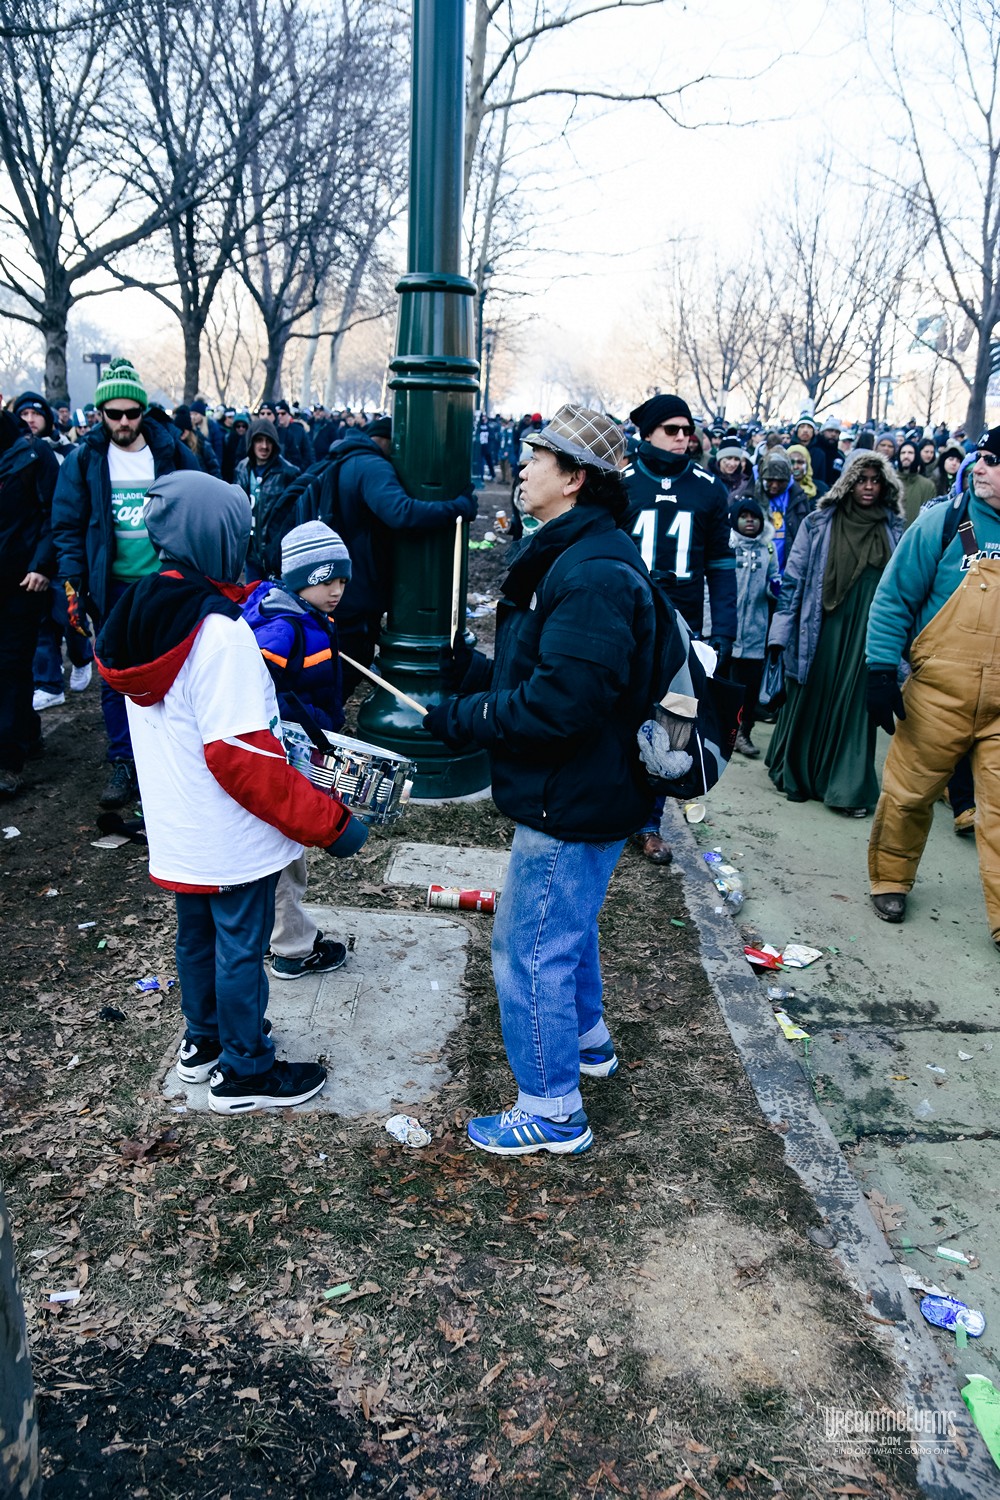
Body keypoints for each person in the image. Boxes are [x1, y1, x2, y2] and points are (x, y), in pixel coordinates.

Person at [423, 407, 659, 1156]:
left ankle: (553, 1110)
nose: (521, 469)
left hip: (574, 792)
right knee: (567, 925)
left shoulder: (590, 572)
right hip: (582, 783)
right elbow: (555, 672)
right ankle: (587, 1044)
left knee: (529, 948)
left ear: (575, 478)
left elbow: (565, 705)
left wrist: (469, 717)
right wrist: (478, 675)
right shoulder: (577, 553)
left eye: (537, 458)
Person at [94, 471, 367, 1113]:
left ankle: (204, 1041)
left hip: (178, 821)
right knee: (240, 949)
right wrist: (331, 823)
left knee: (196, 939)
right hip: (229, 828)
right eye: (238, 531)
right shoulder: (219, 634)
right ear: (215, 536)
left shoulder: (138, 613)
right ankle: (246, 1070)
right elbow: (244, 762)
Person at [865, 425, 1000, 938]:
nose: (979, 467)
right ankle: (890, 880)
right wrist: (880, 669)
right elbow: (894, 596)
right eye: (979, 457)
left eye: (992, 461)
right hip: (937, 694)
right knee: (907, 796)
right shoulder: (945, 521)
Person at [51, 357, 200, 808]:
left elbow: (200, 504)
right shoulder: (85, 459)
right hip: (112, 587)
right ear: (100, 413)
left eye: (131, 413)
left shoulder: (171, 452)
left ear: (142, 411)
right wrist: (73, 583)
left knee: (172, 670)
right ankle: (124, 759)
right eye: (113, 414)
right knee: (116, 674)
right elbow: (68, 525)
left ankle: (172, 754)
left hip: (164, 584)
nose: (123, 422)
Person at [622, 392, 736, 863]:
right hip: (626, 616)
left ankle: (650, 822)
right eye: (672, 429)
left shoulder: (708, 489)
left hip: (681, 624)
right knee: (615, 711)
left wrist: (724, 628)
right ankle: (611, 806)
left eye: (688, 430)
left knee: (673, 722)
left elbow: (721, 564)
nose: (683, 438)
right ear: (647, 433)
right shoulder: (621, 483)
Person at [288, 417, 477, 695]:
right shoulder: (372, 465)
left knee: (336, 666)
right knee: (348, 667)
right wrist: (459, 507)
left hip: (341, 586)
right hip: (357, 592)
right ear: (391, 442)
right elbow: (401, 512)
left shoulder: (346, 458)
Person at [242, 521, 352, 981]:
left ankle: (284, 934)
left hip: (292, 753)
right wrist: (307, 724)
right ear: (300, 579)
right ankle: (292, 948)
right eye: (326, 581)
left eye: (342, 580)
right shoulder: (283, 627)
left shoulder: (302, 615)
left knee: (286, 850)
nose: (337, 591)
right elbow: (255, 689)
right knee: (284, 852)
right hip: (284, 758)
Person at [766, 451, 904, 816]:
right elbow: (794, 580)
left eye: (876, 480)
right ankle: (799, 774)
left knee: (856, 708)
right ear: (848, 482)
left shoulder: (895, 529)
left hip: (869, 633)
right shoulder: (819, 522)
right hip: (820, 627)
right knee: (812, 695)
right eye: (861, 480)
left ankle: (846, 787)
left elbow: (905, 586)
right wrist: (780, 634)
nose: (869, 487)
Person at [0, 406, 58, 796]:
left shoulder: (34, 452)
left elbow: (54, 513)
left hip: (21, 581)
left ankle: (8, 761)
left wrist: (41, 564)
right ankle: (28, 732)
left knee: (10, 666)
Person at [729, 495, 780, 759]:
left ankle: (743, 733)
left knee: (748, 688)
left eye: (755, 517)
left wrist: (775, 588)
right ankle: (721, 733)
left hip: (755, 631)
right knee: (723, 684)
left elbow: (774, 579)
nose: (750, 521)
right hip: (728, 629)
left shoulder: (768, 549)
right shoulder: (728, 546)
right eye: (744, 517)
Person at [235, 417, 301, 580]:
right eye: (259, 440)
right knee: (253, 594)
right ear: (251, 442)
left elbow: (295, 516)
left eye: (268, 441)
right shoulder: (242, 469)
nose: (264, 446)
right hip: (251, 554)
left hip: (277, 555)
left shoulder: (288, 472)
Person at [756, 449, 811, 574]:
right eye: (770, 480)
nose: (775, 485)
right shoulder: (751, 496)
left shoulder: (798, 498)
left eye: (780, 481)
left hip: (788, 569)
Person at [896, 437, 936, 526]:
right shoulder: (890, 481)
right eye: (903, 453)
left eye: (910, 453)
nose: (906, 456)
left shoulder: (927, 485)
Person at [274, 400, 313, 469]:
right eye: (277, 414)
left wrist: (301, 469)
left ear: (288, 414)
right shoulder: (273, 431)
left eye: (283, 413)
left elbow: (308, 452)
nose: (280, 416)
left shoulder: (299, 430)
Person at [792, 414, 828, 486]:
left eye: (809, 427)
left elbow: (821, 478)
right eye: (802, 427)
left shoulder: (819, 454)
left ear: (813, 431)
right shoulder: (787, 449)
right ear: (797, 430)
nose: (805, 430)